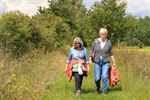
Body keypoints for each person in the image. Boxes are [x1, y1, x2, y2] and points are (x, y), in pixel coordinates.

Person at [89, 28, 116, 94]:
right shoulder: (95, 41)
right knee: (97, 78)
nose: (103, 35)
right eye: (101, 34)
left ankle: (104, 91)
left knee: (104, 76)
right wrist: (90, 59)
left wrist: (114, 62)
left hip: (106, 62)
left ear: (106, 34)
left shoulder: (108, 42)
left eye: (104, 34)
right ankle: (98, 87)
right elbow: (91, 50)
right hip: (97, 61)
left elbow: (111, 53)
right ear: (99, 34)